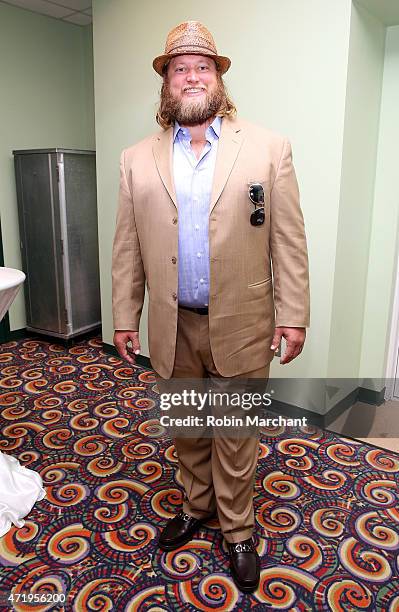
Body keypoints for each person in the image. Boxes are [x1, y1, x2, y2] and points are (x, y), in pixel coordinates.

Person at [112, 20, 310, 593]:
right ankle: (197, 507)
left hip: (244, 323)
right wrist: (126, 315)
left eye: (202, 66)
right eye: (180, 68)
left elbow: (288, 239)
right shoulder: (135, 159)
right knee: (189, 430)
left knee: (235, 433)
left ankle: (239, 529)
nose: (191, 75)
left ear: (218, 78)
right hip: (173, 328)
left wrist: (292, 312)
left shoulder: (270, 148)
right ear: (167, 84)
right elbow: (127, 246)